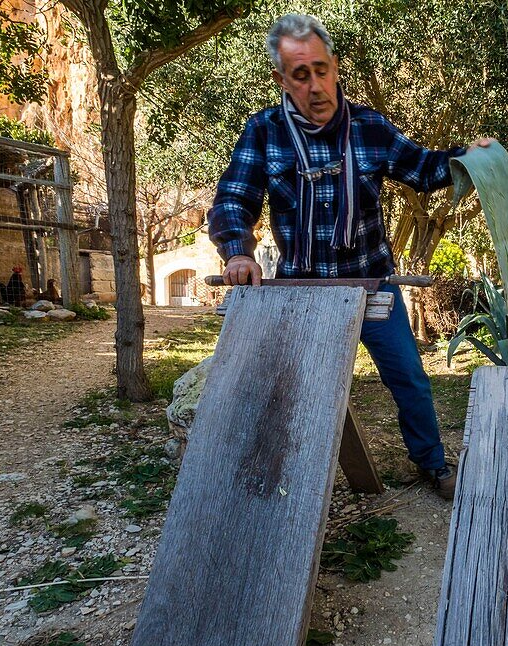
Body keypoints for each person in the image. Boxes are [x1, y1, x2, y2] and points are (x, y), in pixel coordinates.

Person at [208, 13, 492, 500]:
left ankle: (432, 464)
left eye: (322, 69)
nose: (315, 85)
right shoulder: (265, 131)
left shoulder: (368, 127)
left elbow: (423, 169)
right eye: (301, 75)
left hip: (372, 286)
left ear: (335, 67)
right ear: (281, 79)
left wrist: (469, 156)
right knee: (293, 390)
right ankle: (288, 480)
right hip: (302, 292)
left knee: (412, 383)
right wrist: (238, 252)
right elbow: (234, 200)